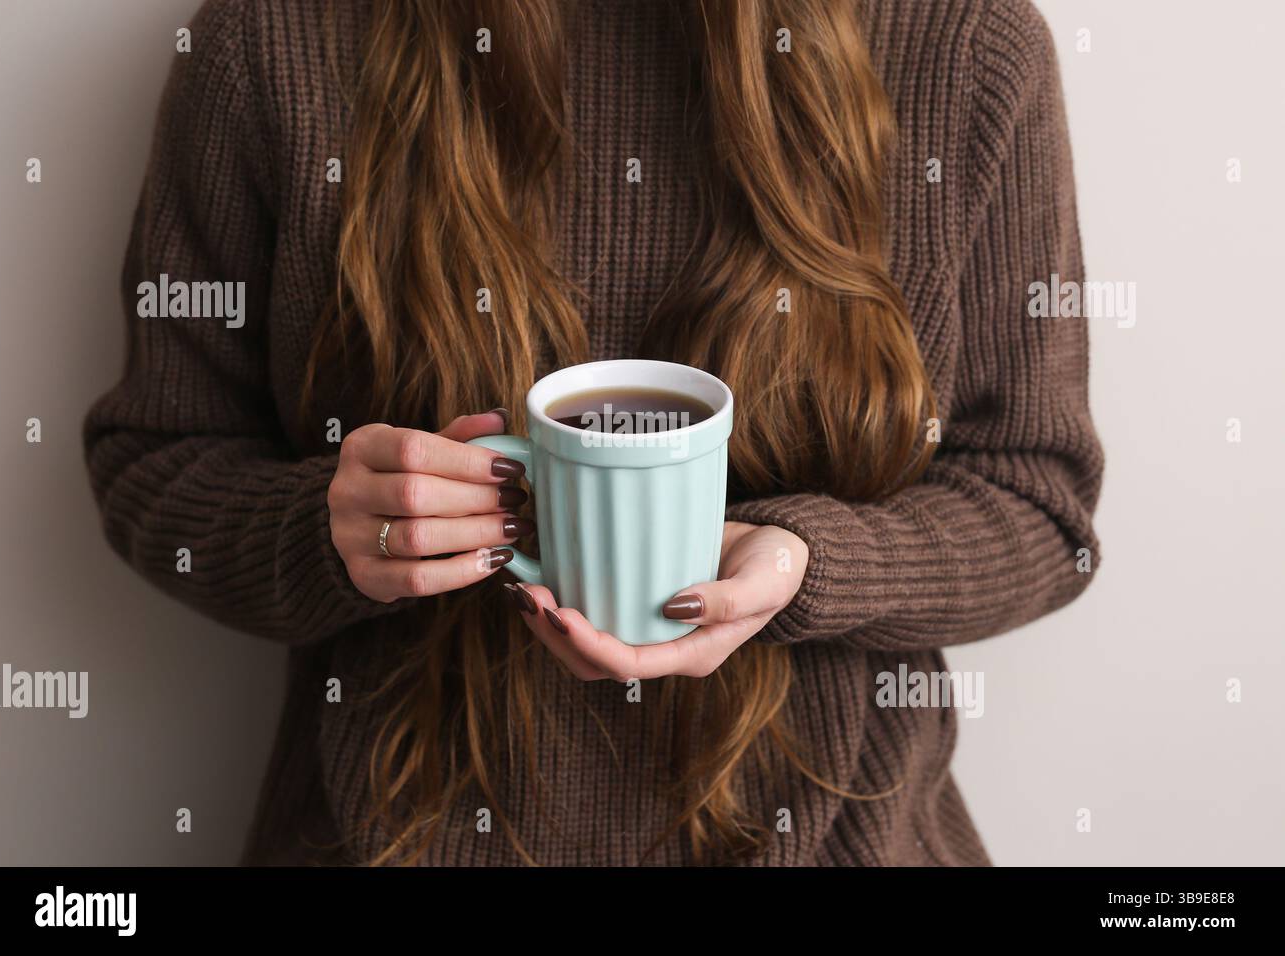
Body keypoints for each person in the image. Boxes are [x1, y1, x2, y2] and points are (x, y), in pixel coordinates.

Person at [84, 0, 1103, 866]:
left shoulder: (959, 39)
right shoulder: (275, 37)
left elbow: (1039, 504)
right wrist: (328, 530)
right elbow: (160, 460)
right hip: (383, 836)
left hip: (851, 838)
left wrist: (811, 562)